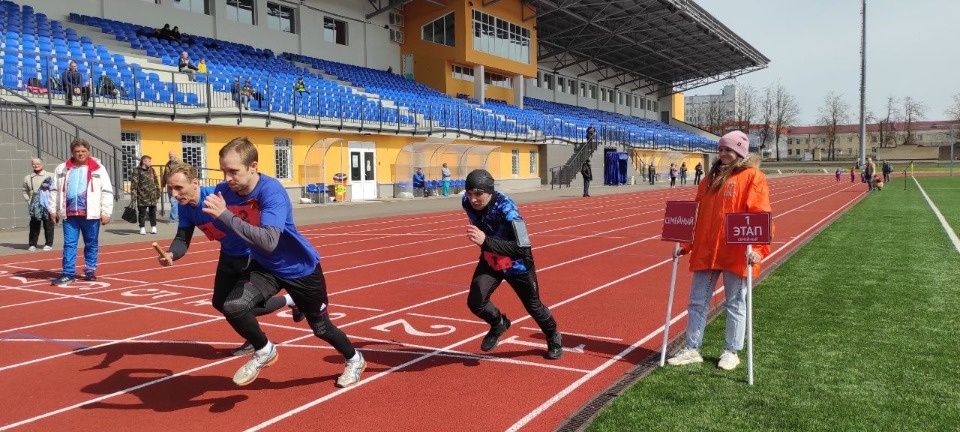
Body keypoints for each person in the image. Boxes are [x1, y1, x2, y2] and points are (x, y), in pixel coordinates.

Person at [203, 137, 365, 387]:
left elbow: (268, 240)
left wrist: (224, 216)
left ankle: (354, 359)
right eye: (224, 171)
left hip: (300, 269)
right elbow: (230, 230)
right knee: (233, 306)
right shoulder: (224, 192)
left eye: (233, 171)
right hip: (265, 267)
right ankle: (264, 349)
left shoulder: (272, 191)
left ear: (253, 166)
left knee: (322, 329)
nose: (227, 178)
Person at [157, 162, 304, 357]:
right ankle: (290, 300)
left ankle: (258, 338)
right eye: (170, 189)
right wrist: (171, 254)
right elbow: (182, 238)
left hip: (250, 254)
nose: (174, 194)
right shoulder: (185, 209)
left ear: (194, 183)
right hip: (228, 254)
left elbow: (252, 206)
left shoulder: (218, 195)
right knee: (220, 302)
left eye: (178, 188)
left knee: (238, 305)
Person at [668, 130, 771, 371]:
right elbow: (697, 212)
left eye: (729, 149)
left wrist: (758, 248)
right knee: (696, 302)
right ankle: (692, 348)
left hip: (735, 251)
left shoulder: (752, 176)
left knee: (735, 303)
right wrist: (685, 244)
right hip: (706, 249)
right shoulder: (709, 178)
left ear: (740, 152)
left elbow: (759, 213)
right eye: (721, 149)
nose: (724, 153)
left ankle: (731, 351)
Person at [461, 169, 563, 360]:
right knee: (475, 302)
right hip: (492, 259)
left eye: (478, 193)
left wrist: (485, 242)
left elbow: (523, 248)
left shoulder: (508, 209)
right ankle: (499, 323)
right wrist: (488, 247)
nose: (473, 199)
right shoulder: (466, 202)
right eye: (469, 193)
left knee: (534, 307)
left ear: (490, 191)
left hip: (518, 265)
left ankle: (552, 335)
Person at [48, 138, 115, 285]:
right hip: (70, 214)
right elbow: (54, 190)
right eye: (77, 151)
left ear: (88, 151)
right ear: (72, 152)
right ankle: (68, 273)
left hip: (91, 214)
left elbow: (107, 191)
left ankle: (90, 269)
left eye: (83, 151)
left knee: (91, 243)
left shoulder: (98, 168)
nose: (80, 154)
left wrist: (106, 212)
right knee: (69, 244)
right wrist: (52, 210)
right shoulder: (62, 168)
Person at [23, 158, 55, 251]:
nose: (36, 166)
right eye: (34, 164)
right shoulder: (28, 178)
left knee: (48, 224)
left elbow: (55, 188)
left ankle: (48, 243)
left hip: (47, 203)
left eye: (38, 164)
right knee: (34, 224)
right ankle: (32, 244)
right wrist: (29, 200)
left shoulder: (50, 175)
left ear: (42, 164)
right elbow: (24, 190)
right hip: (35, 205)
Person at [130, 155, 161, 235]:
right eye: (149, 161)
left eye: (150, 161)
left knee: (153, 212)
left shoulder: (152, 170)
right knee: (142, 213)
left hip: (152, 195)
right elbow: (134, 185)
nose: (150, 163)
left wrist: (158, 192)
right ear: (144, 161)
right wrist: (133, 196)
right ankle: (142, 227)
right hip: (142, 196)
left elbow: (156, 181)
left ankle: (153, 227)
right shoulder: (137, 170)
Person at [162, 151, 180, 223]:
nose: (170, 156)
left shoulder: (180, 164)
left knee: (174, 202)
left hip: (176, 186)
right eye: (169, 155)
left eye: (172, 155)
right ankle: (178, 217)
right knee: (173, 202)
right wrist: (162, 185)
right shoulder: (168, 164)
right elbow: (164, 175)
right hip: (169, 186)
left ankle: (172, 219)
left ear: (176, 155)